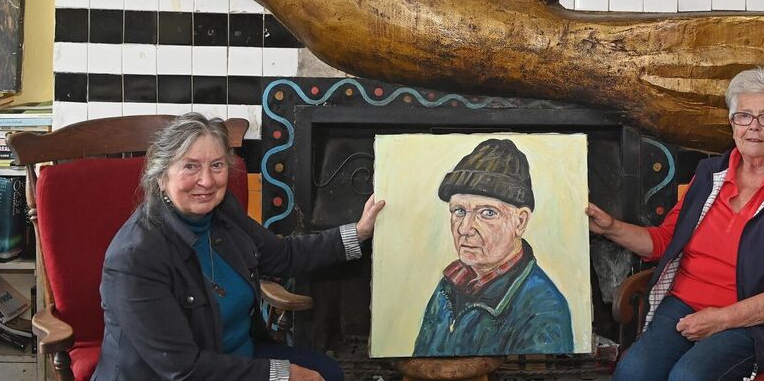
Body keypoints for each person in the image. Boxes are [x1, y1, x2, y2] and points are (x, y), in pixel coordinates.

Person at [94, 113, 384, 381]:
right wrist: (281, 374)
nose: (206, 181)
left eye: (217, 165)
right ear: (161, 176)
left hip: (235, 358)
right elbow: (184, 368)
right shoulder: (134, 259)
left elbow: (284, 256)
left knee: (328, 373)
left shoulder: (223, 212)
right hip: (180, 375)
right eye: (190, 166)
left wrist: (358, 232)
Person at [587, 66, 764, 380]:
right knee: (633, 371)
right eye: (744, 115)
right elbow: (664, 241)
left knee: (688, 376)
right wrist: (610, 227)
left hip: (753, 323)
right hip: (682, 306)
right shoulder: (709, 175)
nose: (753, 126)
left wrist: (721, 319)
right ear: (732, 123)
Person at [413, 138, 573, 356]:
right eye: (459, 211)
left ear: (520, 222)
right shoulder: (448, 287)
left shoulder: (543, 308)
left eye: (487, 213)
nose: (465, 228)